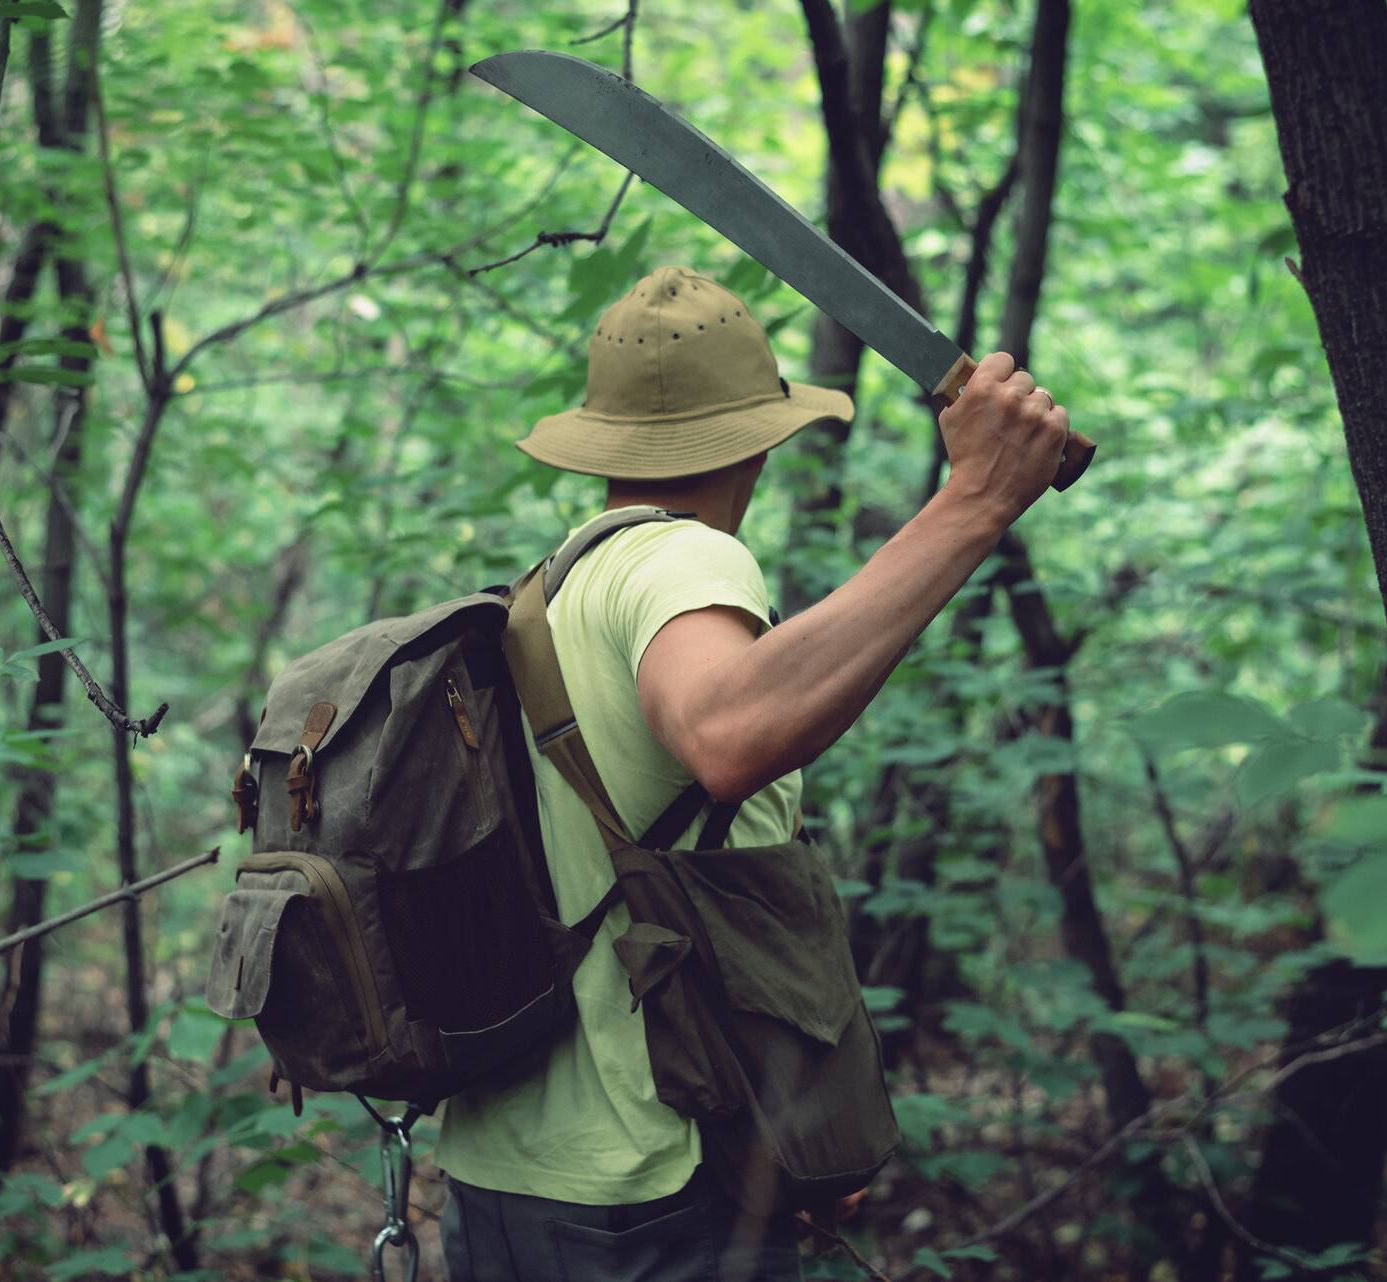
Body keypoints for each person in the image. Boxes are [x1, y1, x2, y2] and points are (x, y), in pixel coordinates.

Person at [433, 265, 1070, 1281]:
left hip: (503, 1182)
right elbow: (729, 732)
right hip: (651, 1200)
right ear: (761, 437)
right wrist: (979, 500)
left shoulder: (546, 599)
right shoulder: (683, 561)